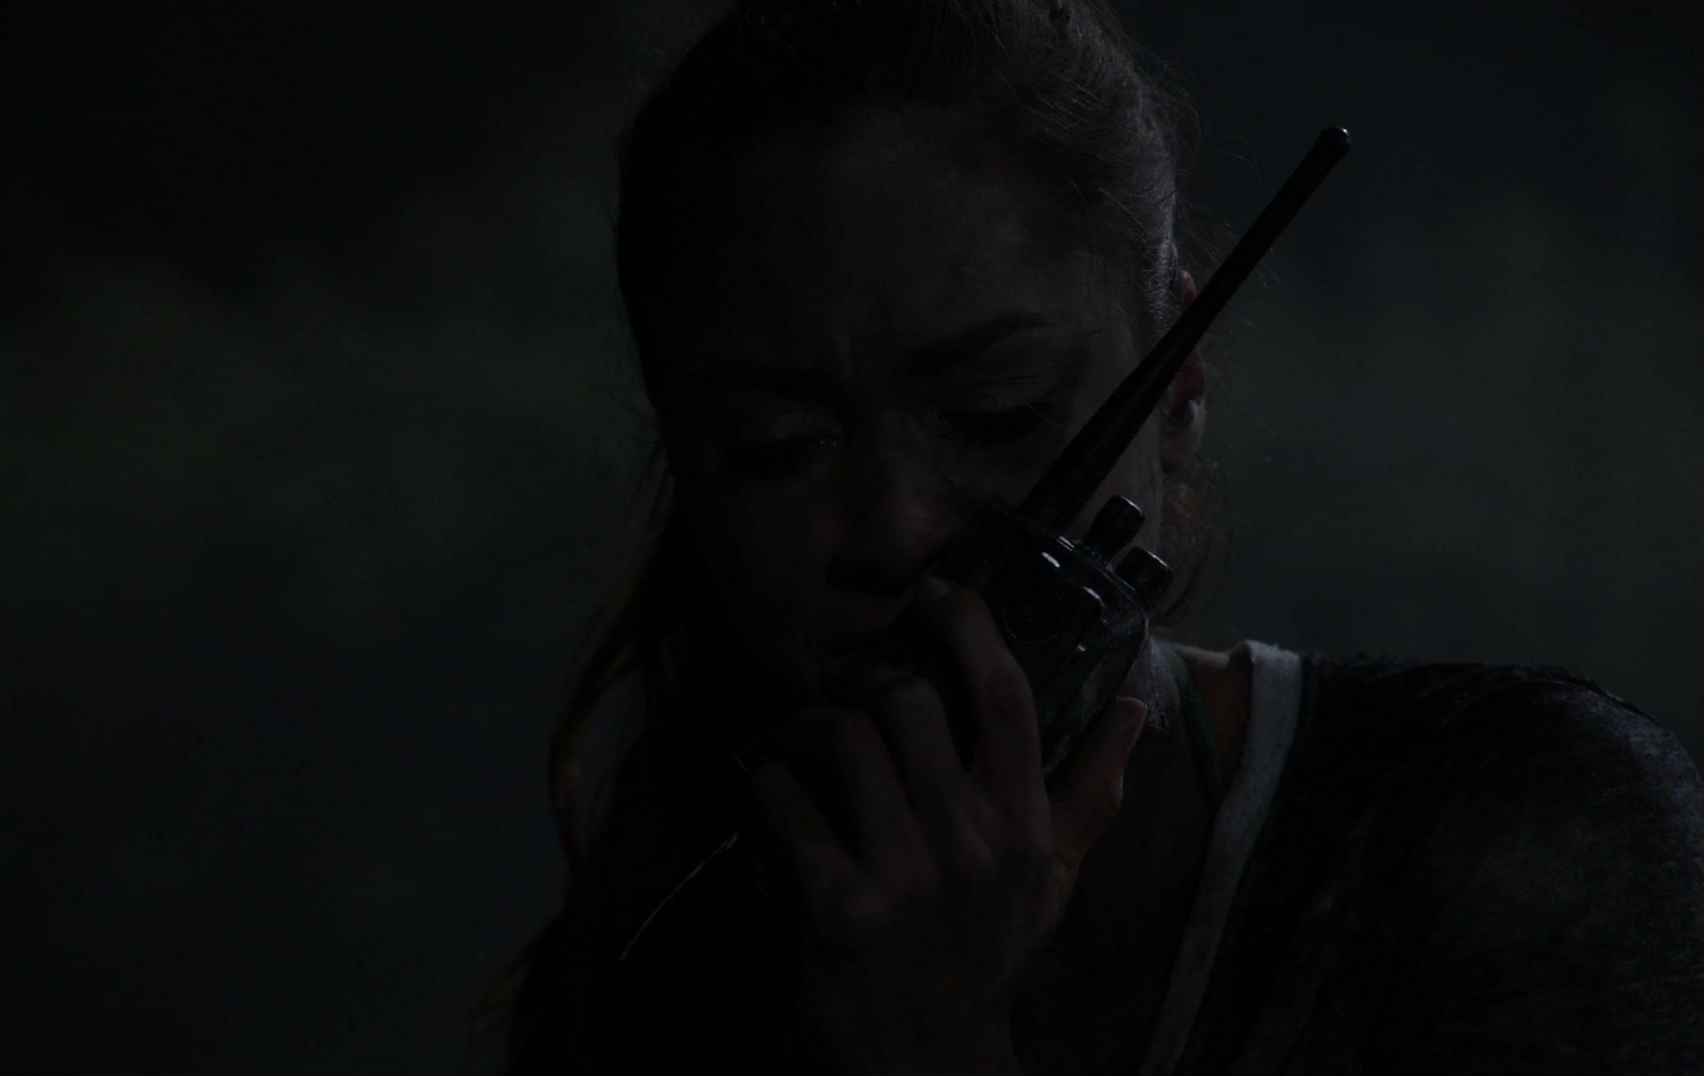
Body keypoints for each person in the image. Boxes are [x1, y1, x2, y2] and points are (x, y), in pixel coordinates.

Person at [469, 1, 1704, 1072]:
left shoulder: (1512, 835)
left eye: (996, 411)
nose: (894, 526)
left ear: (1175, 389)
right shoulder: (658, 968)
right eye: (772, 444)